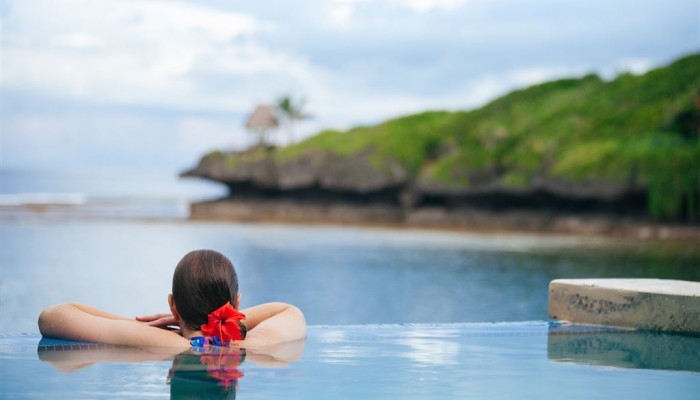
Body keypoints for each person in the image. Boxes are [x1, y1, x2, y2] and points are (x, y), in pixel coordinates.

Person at [38, 249, 306, 350]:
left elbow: (51, 317)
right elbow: (289, 311)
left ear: (172, 305)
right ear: (236, 303)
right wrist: (230, 322)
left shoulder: (166, 343)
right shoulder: (253, 346)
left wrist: (139, 325)